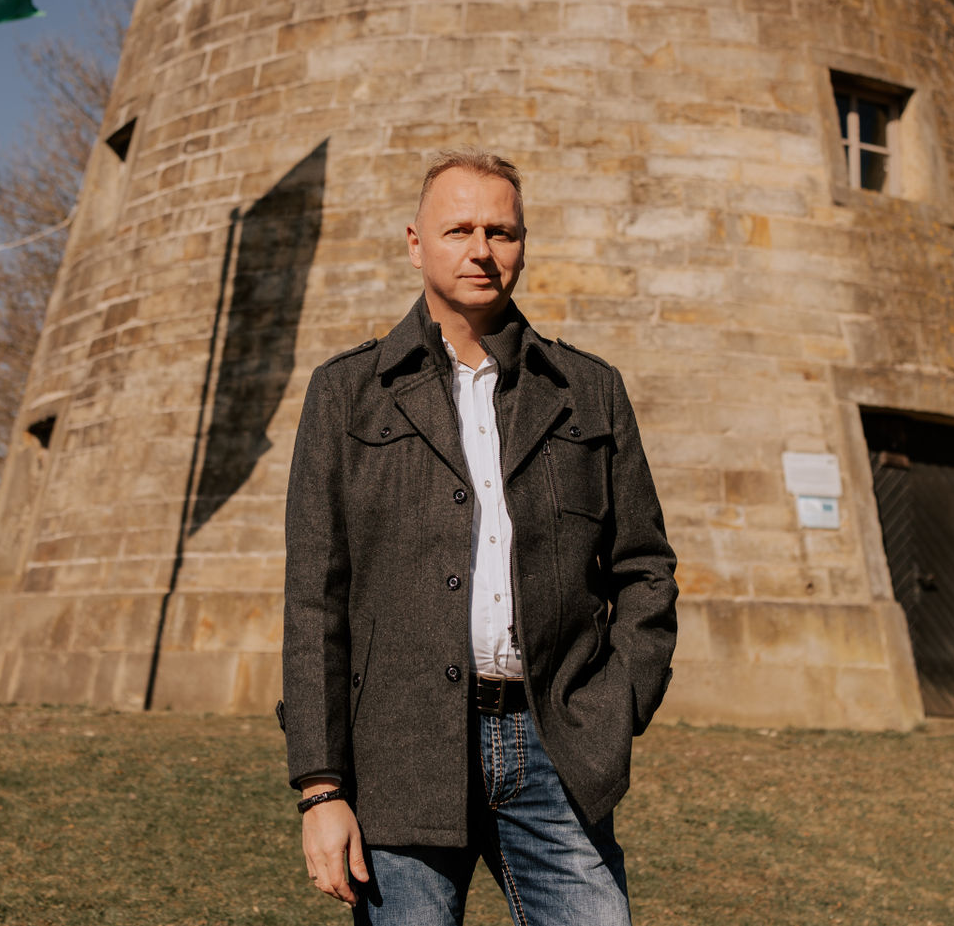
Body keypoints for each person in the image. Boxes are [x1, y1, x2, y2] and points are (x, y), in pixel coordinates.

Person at [280, 148, 679, 925]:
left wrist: (615, 701)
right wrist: (320, 787)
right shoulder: (346, 392)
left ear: (523, 242)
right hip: (399, 749)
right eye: (458, 227)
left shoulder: (588, 389)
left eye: (501, 230)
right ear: (414, 241)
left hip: (556, 744)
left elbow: (644, 566)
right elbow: (313, 600)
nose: (481, 249)